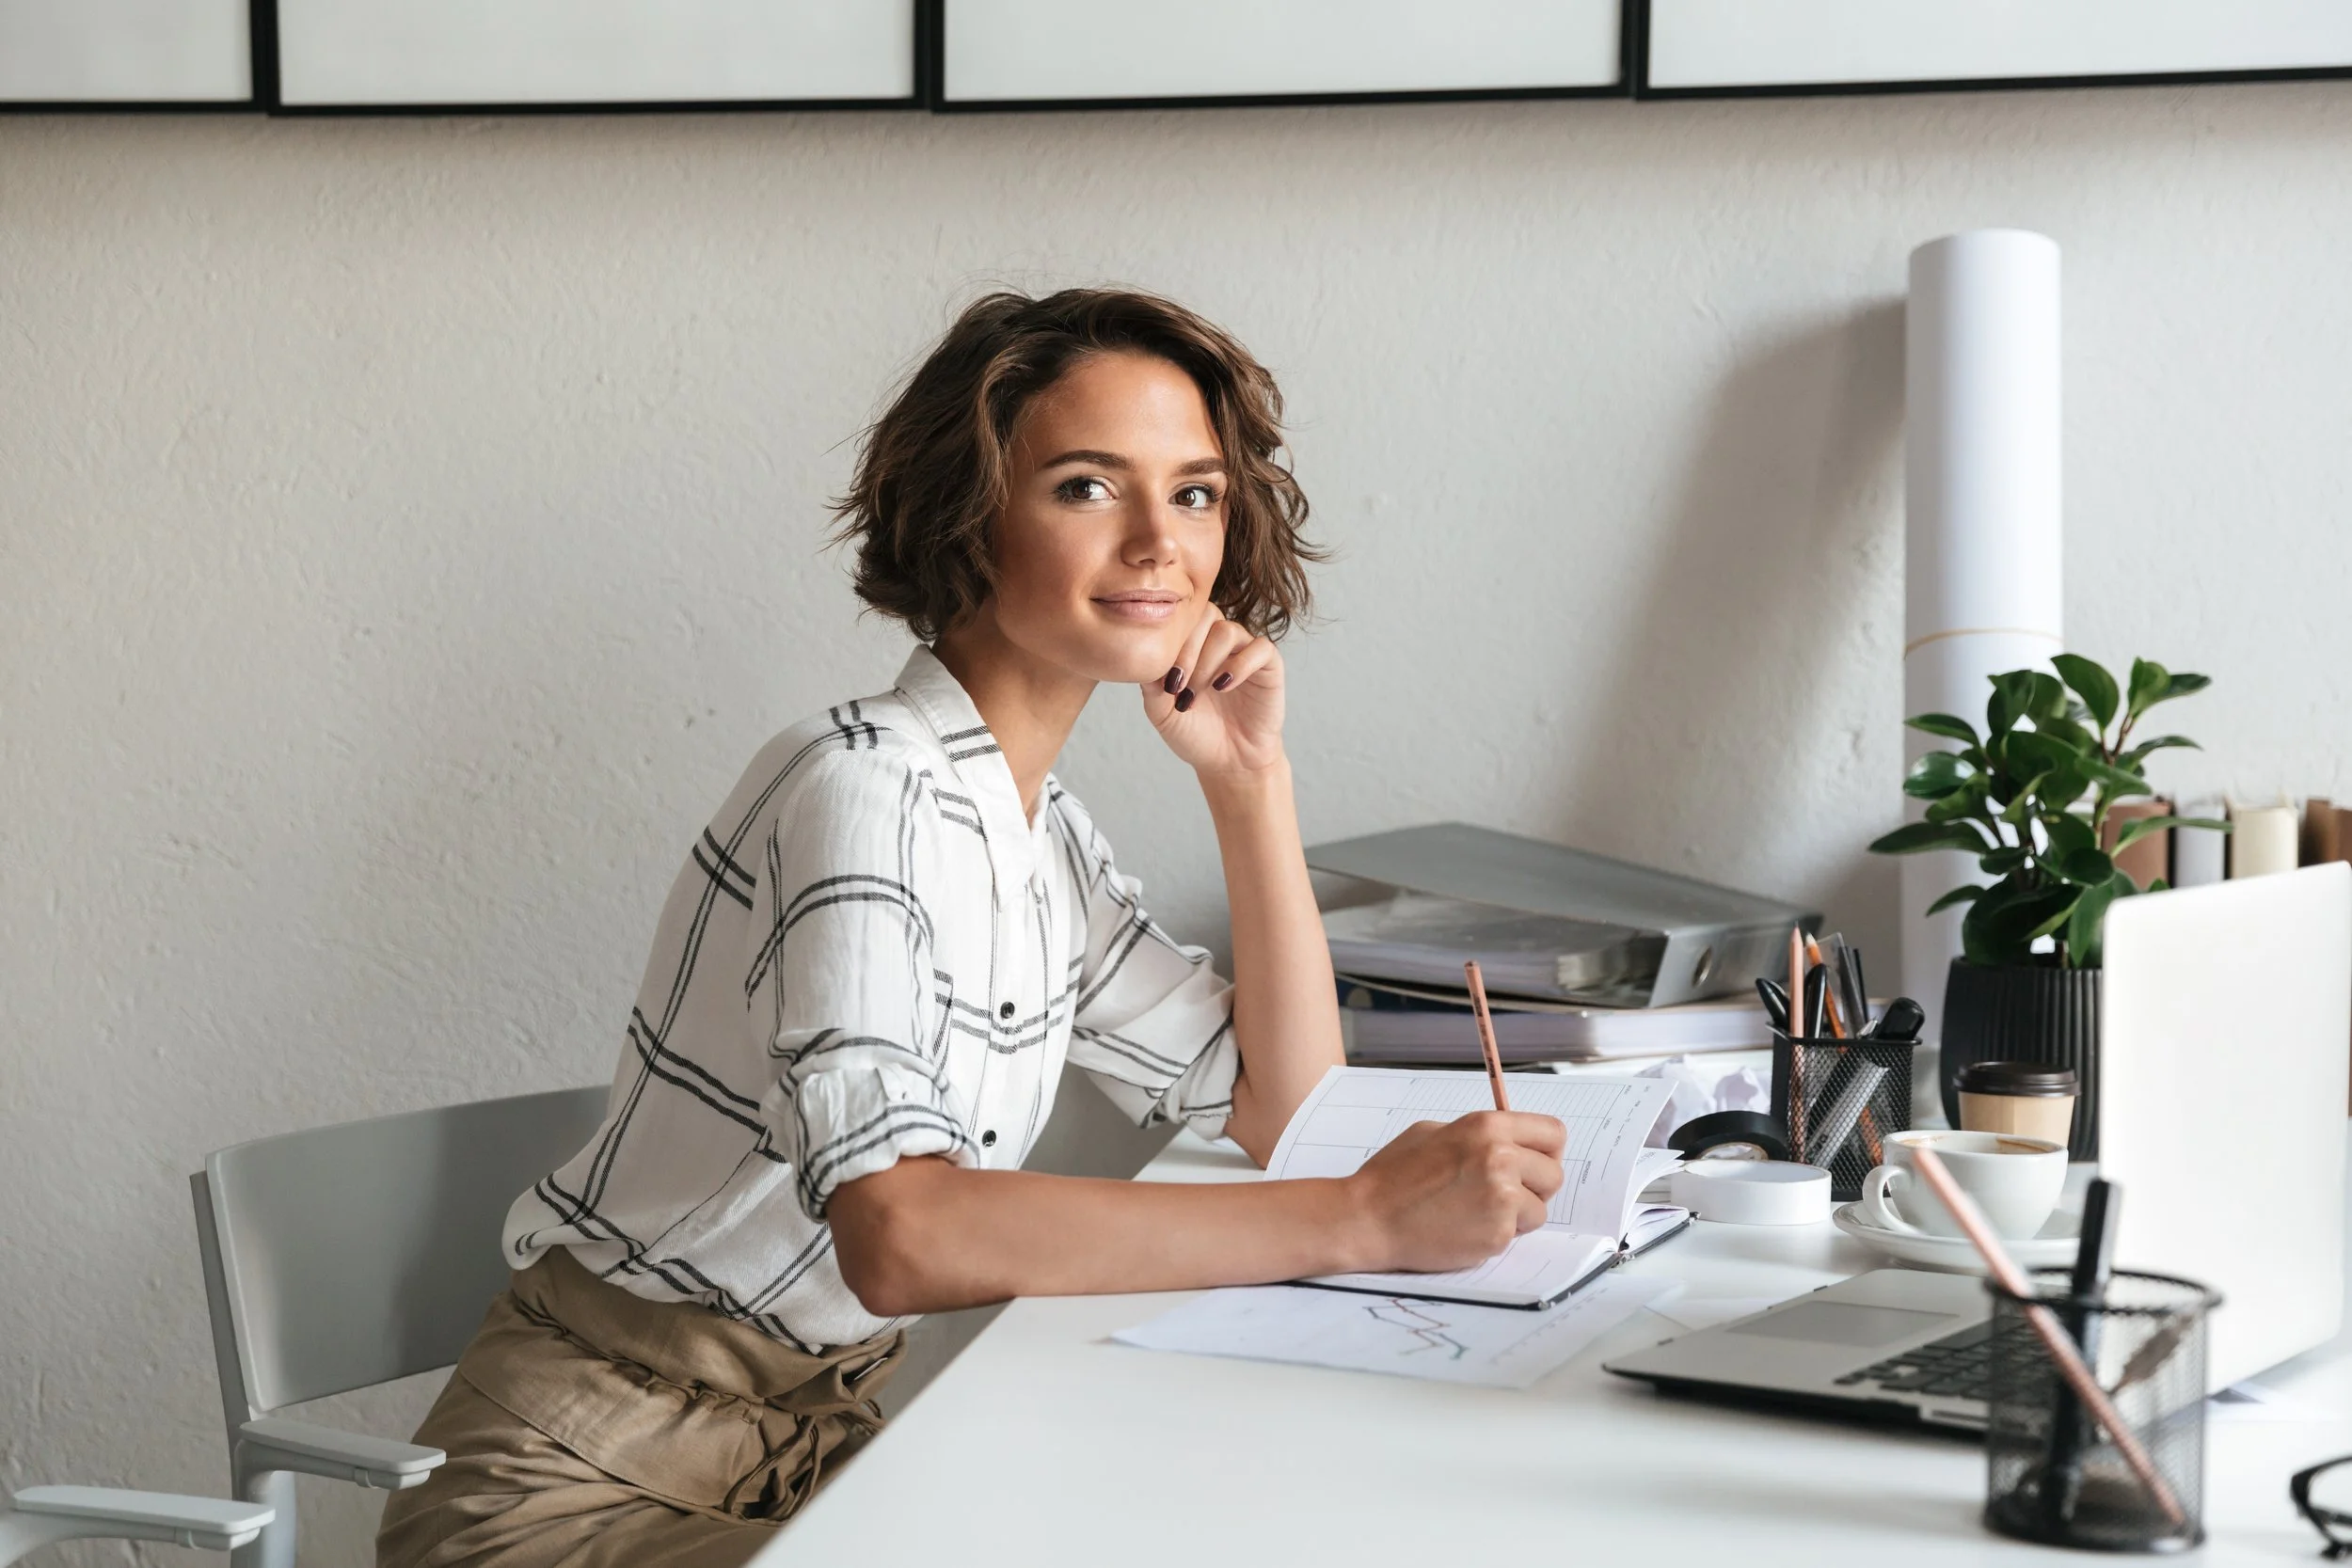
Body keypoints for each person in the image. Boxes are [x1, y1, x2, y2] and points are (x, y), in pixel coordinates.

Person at [376, 288, 1567, 1568]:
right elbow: (905, 1232)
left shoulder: (1031, 829)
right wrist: (1364, 1218)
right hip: (566, 1505)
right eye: (1087, 487)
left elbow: (1288, 1108)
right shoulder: (864, 786)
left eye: (1197, 493)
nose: (1160, 543)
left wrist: (1247, 783)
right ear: (971, 510)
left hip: (803, 1474)